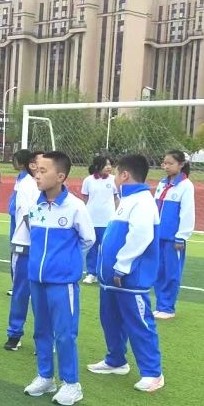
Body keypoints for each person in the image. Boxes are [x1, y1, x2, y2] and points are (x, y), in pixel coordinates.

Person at [87, 154, 165, 393]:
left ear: (124, 175)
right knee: (110, 320)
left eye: (116, 172)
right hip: (111, 279)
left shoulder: (142, 201)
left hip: (130, 278)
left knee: (139, 323)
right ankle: (116, 360)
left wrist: (122, 265)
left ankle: (153, 373)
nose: (113, 176)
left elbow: (141, 236)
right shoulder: (127, 200)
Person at [23, 151, 95, 406]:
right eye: (36, 170)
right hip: (37, 280)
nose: (37, 175)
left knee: (64, 334)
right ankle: (45, 377)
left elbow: (88, 239)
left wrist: (66, 262)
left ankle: (72, 384)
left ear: (61, 176)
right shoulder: (36, 205)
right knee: (41, 331)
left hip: (62, 283)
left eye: (43, 171)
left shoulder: (75, 207)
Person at [3, 150, 41, 349]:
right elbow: (27, 216)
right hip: (25, 246)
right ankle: (15, 333)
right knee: (21, 292)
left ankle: (44, 338)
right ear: (33, 165)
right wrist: (40, 242)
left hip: (44, 249)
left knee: (44, 295)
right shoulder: (27, 184)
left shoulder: (53, 186)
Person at [153, 150, 195, 319]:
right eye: (165, 163)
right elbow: (155, 209)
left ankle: (168, 308)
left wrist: (181, 236)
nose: (166, 166)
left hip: (173, 238)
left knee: (171, 273)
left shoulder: (186, 185)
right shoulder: (162, 183)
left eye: (170, 163)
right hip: (158, 236)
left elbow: (187, 212)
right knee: (158, 271)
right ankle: (160, 305)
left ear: (181, 165)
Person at [81, 155, 119, 284]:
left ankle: (104, 272)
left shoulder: (114, 180)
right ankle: (91, 273)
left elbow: (116, 198)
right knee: (92, 247)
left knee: (106, 247)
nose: (109, 167)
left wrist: (117, 214)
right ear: (98, 166)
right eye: (106, 164)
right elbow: (85, 199)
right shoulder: (88, 181)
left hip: (108, 219)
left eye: (110, 164)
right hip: (92, 219)